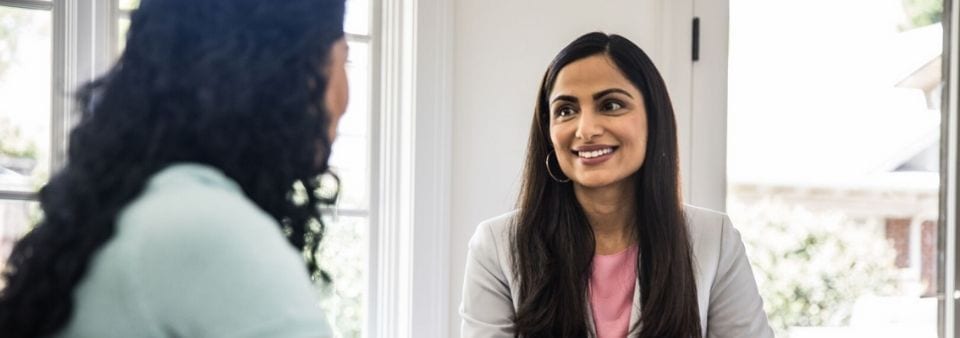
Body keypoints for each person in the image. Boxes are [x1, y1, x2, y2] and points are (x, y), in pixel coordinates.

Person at [0, 0, 348, 337]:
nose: (345, 97)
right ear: (296, 72)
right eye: (343, 60)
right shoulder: (210, 229)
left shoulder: (137, 207)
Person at [459, 32, 774, 338]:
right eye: (566, 110)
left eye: (610, 105)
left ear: (654, 118)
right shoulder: (496, 247)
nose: (586, 129)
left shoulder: (714, 240)